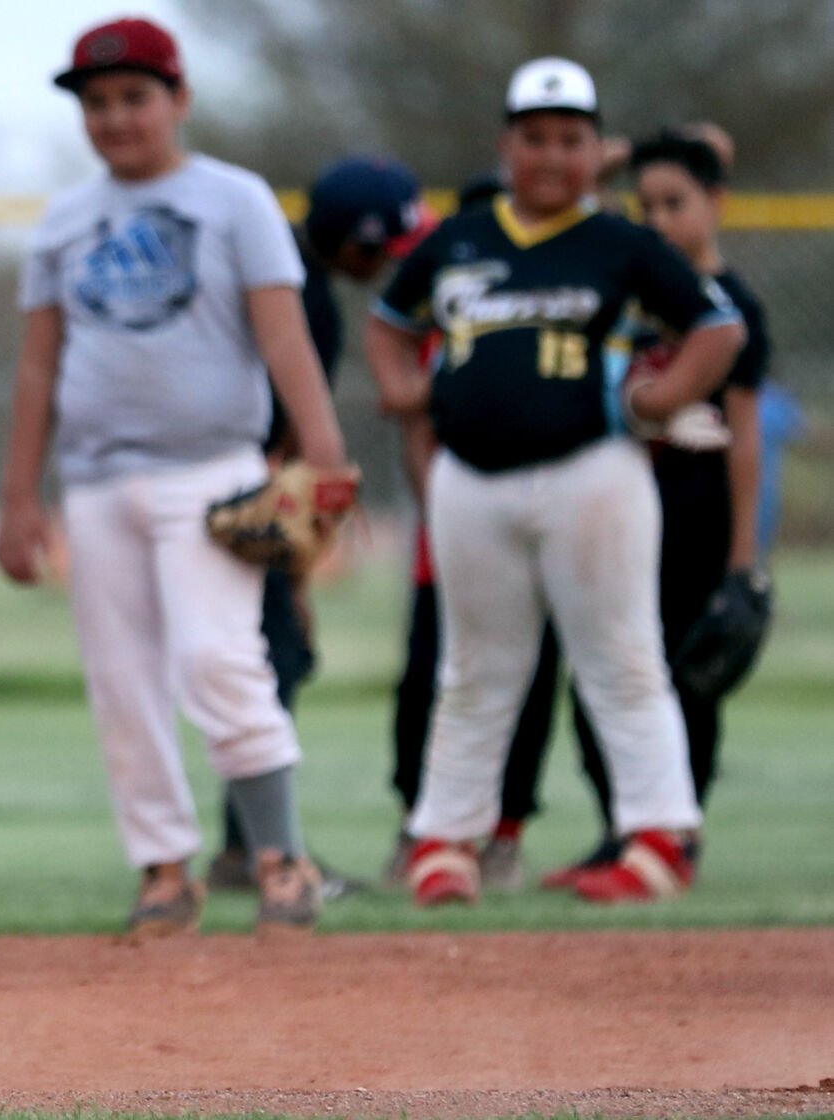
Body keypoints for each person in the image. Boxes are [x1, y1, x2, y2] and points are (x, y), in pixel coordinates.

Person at [0, 15, 353, 936]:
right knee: (121, 681)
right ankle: (163, 870)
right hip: (97, 479)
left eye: (134, 97)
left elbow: (285, 334)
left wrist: (324, 454)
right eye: (98, 102)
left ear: (178, 99)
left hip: (214, 471)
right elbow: (37, 366)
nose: (115, 117)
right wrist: (16, 498)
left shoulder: (234, 200)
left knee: (217, 657)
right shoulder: (67, 220)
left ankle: (280, 857)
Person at [365, 57, 746, 906]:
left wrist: (660, 398)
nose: (550, 156)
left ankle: (658, 836)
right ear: (506, 144)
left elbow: (715, 328)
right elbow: (389, 321)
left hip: (591, 472)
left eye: (570, 140)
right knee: (473, 667)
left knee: (620, 657)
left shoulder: (621, 241)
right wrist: (400, 390)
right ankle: (446, 839)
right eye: (534, 138)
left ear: (591, 149)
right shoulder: (460, 239)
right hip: (471, 478)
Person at [541, 128, 771, 887]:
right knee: (596, 682)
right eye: (646, 206)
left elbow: (743, 440)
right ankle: (619, 831)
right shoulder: (631, 290)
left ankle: (677, 839)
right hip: (616, 509)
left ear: (716, 204)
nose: (658, 220)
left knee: (682, 680)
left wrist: (742, 559)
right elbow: (566, 210)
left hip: (696, 515)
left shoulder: (734, 305)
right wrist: (625, 148)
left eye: (675, 203)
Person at [206, 154, 431, 898]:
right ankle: (254, 853)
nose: (385, 265)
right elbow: (285, 435)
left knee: (257, 665)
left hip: (218, 487)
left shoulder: (286, 278)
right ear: (354, 242)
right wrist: (290, 571)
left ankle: (246, 848)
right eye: (381, 250)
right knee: (269, 662)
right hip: (245, 502)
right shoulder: (307, 299)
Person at [382, 169, 565, 894]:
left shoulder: (555, 321)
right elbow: (416, 430)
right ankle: (422, 826)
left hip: (544, 542)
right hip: (451, 546)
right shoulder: (441, 330)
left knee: (528, 687)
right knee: (428, 685)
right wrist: (454, 516)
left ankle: (504, 834)